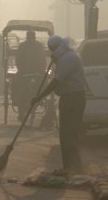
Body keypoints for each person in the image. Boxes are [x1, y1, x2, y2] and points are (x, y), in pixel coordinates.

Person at [31, 35, 86, 175]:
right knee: (68, 134)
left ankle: (72, 168)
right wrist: (56, 62)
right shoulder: (66, 57)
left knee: (68, 134)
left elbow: (56, 81)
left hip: (72, 99)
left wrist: (39, 97)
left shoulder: (68, 59)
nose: (52, 52)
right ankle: (72, 167)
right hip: (70, 98)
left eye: (52, 49)